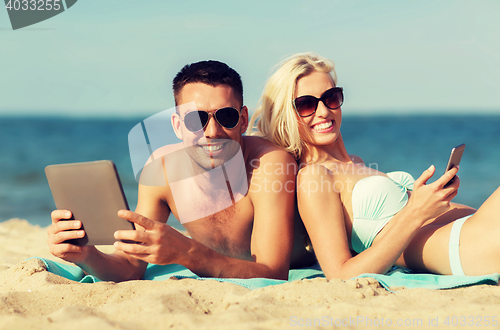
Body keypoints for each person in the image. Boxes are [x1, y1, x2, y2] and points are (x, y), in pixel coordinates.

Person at [250, 52, 500, 280]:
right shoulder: (313, 177)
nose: (324, 111)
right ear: (286, 114)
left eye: (331, 97)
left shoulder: (356, 163)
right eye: (306, 104)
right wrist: (416, 211)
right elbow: (339, 275)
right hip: (466, 246)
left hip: (474, 228)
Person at [47, 60, 301, 281]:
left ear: (243, 120)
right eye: (195, 119)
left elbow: (273, 272)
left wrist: (187, 253)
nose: (212, 132)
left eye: (226, 117)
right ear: (178, 125)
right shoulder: (162, 170)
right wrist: (87, 255)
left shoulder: (269, 164)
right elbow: (131, 266)